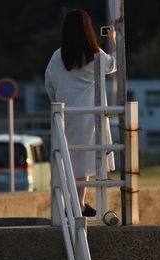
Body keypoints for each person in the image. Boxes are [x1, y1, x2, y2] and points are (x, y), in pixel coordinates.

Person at [45, 9, 117, 217]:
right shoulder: (95, 55)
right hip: (88, 116)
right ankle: (79, 204)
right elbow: (115, 65)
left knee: (67, 160)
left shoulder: (58, 56)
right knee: (84, 164)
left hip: (64, 116)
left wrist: (57, 103)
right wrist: (112, 39)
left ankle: (76, 205)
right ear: (88, 29)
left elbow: (49, 83)